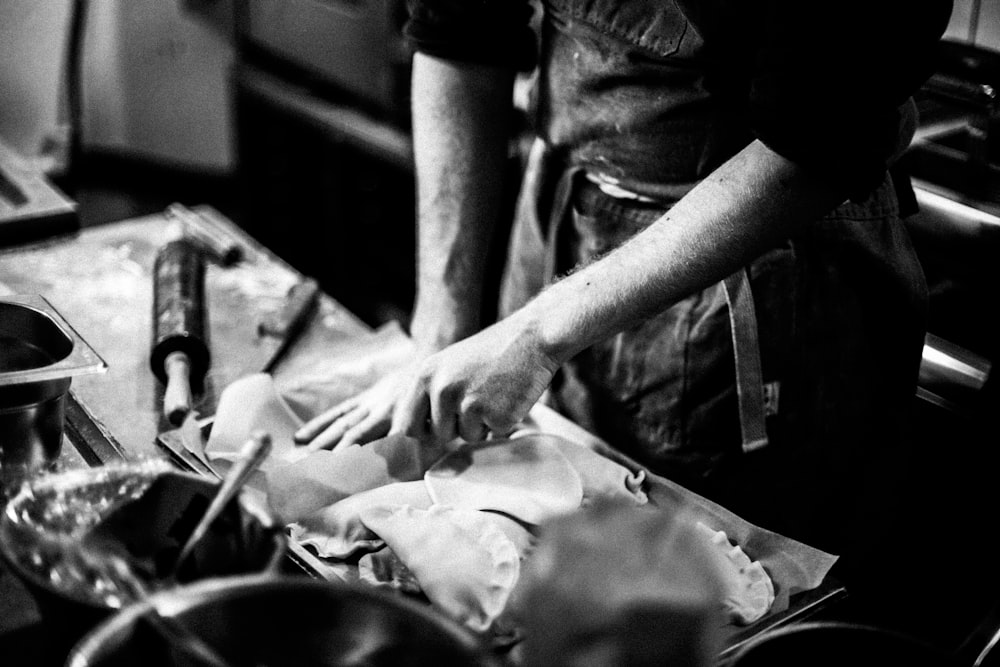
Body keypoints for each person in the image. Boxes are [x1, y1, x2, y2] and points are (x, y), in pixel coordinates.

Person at [296, 1, 952, 565]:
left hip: (762, 287)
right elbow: (458, 32)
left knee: (680, 602)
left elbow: (821, 139)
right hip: (564, 223)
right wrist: (443, 325)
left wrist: (536, 334)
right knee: (544, 575)